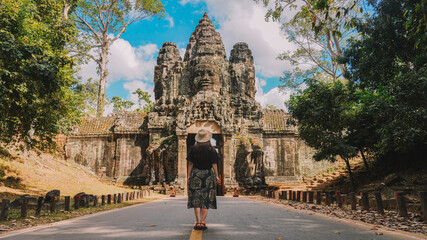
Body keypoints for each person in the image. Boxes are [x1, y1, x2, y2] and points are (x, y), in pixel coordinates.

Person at [187, 129, 220, 230]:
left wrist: (188, 176)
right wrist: (217, 176)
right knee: (206, 198)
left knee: (196, 198)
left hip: (195, 174)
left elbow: (190, 163)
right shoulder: (211, 149)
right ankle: (203, 222)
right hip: (208, 175)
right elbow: (214, 164)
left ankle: (197, 221)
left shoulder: (193, 149)